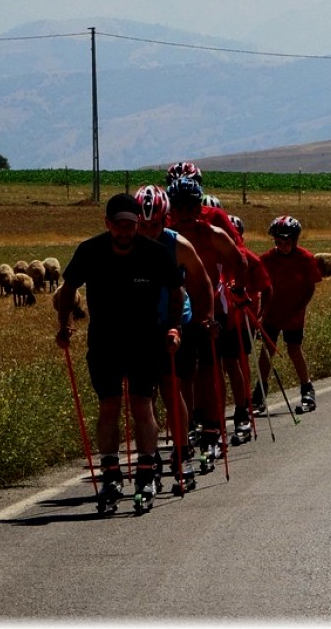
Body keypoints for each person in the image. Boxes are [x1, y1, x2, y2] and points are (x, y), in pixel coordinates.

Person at [56, 193, 185, 511]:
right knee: (109, 406)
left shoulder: (154, 254)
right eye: (119, 226)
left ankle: (144, 474)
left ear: (138, 224)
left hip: (145, 341)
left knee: (142, 406)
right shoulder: (90, 251)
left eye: (130, 225)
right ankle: (110, 473)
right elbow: (68, 287)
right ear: (107, 224)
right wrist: (65, 324)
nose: (125, 232)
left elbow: (175, 290)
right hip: (104, 342)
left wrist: (174, 327)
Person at [134, 184, 216, 489]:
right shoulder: (129, 244)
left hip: (174, 326)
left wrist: (206, 316)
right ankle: (151, 455)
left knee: (172, 390)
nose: (150, 231)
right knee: (144, 396)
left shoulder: (177, 244)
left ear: (165, 219)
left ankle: (183, 454)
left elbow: (203, 281)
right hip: (141, 328)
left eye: (155, 224)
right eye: (144, 225)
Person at [165, 176, 247, 466]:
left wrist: (235, 287)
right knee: (181, 378)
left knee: (209, 374)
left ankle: (213, 433)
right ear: (171, 209)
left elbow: (239, 261)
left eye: (191, 206)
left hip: (209, 311)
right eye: (179, 207)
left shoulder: (213, 234)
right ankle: (186, 434)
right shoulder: (166, 237)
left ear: (199, 207)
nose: (185, 212)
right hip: (177, 314)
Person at [254, 215, 323, 414]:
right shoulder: (267, 259)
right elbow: (261, 286)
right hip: (272, 313)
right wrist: (261, 314)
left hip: (293, 313)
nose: (282, 246)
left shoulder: (305, 258)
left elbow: (310, 287)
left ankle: (307, 389)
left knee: (294, 349)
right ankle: (259, 394)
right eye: (278, 242)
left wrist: (300, 308)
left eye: (286, 242)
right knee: (267, 350)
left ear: (295, 240)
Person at [217, 214, 273, 438]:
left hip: (242, 319)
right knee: (213, 369)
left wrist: (260, 316)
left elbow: (267, 288)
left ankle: (243, 408)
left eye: (235, 235)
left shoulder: (248, 258)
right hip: (217, 317)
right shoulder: (210, 255)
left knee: (236, 364)